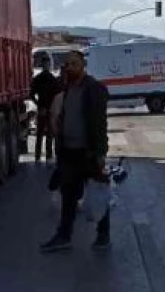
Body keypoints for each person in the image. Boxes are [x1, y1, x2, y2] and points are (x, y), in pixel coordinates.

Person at [40, 50, 112, 253]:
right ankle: (64, 235)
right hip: (69, 152)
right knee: (68, 196)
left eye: (74, 64)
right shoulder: (67, 88)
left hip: (88, 152)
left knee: (98, 193)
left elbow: (99, 124)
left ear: (83, 66)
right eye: (68, 64)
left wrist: (100, 152)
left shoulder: (93, 89)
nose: (70, 67)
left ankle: (103, 234)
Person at [30, 58, 61, 163]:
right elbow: (32, 94)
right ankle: (44, 156)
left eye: (47, 64)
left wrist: (39, 105)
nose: (46, 66)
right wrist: (40, 105)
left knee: (44, 134)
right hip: (46, 109)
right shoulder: (49, 79)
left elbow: (32, 94)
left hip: (45, 109)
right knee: (45, 133)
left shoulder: (43, 78)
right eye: (45, 64)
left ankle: (41, 156)